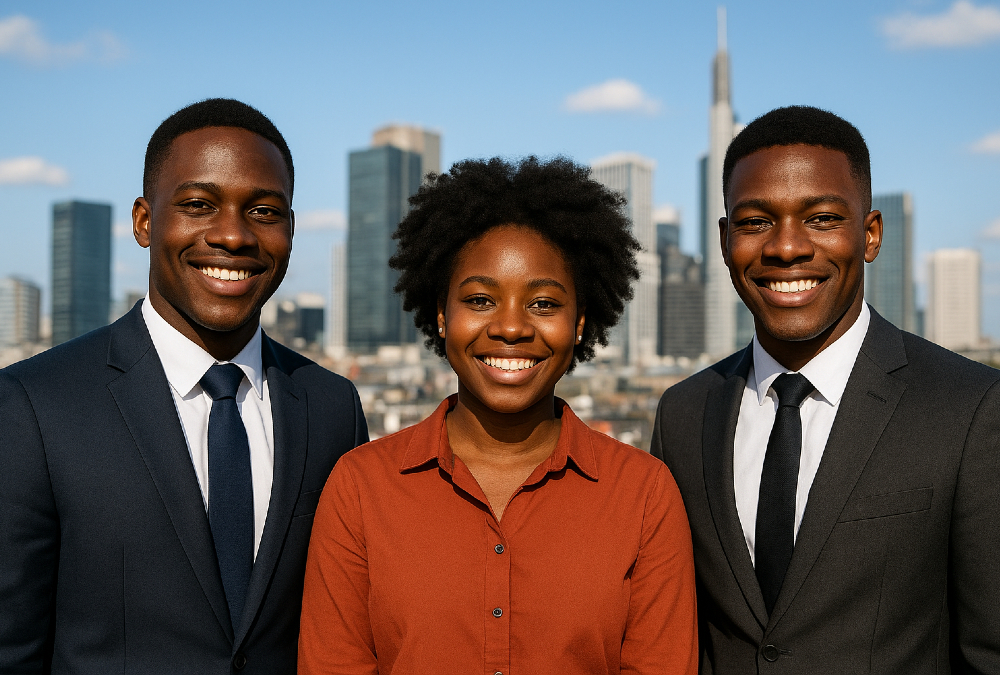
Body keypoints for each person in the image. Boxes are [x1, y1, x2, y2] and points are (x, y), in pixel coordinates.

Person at [0, 98, 368, 674]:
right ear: (145, 222)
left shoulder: (330, 405)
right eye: (199, 205)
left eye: (265, 211)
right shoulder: (34, 405)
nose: (232, 235)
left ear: (291, 231)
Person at [299, 156, 698, 675]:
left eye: (543, 304)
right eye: (481, 300)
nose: (511, 327)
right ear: (442, 317)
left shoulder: (644, 494)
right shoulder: (359, 488)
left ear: (580, 323)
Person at [650, 105, 1000, 673]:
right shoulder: (684, 414)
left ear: (871, 234)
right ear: (724, 239)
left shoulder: (970, 409)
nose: (786, 247)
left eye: (820, 218)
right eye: (755, 221)